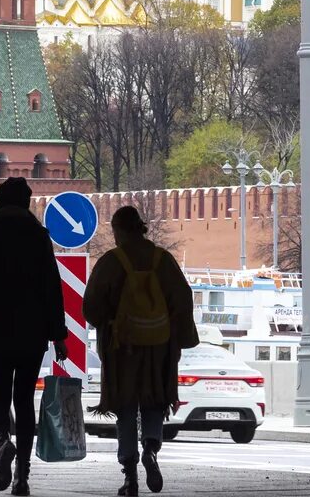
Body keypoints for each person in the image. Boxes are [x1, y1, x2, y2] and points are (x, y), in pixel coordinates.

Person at [0, 177, 67, 496]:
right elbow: (52, 289)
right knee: (24, 400)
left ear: (0, 201)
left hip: (0, 330)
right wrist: (58, 335)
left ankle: (3, 442)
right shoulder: (39, 237)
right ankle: (22, 476)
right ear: (27, 203)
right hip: (33, 334)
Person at [83, 206, 197, 496]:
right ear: (141, 228)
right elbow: (183, 298)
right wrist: (177, 335)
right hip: (159, 345)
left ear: (119, 230)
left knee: (125, 406)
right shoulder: (163, 260)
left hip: (123, 347)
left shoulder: (112, 261)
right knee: (155, 400)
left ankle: (130, 474)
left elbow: (91, 306)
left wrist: (108, 324)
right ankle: (151, 448)